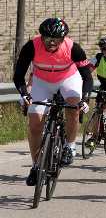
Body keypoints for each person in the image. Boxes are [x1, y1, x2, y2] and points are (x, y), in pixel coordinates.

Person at [13, 18, 93, 186]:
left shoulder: (73, 48)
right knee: (35, 124)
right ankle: (36, 166)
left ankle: (70, 146)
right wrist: (24, 94)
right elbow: (18, 74)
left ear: (63, 38)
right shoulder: (32, 46)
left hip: (67, 79)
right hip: (42, 81)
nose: (51, 41)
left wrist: (84, 99)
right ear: (41, 36)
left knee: (72, 108)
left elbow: (86, 76)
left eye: (56, 38)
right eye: (47, 37)